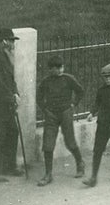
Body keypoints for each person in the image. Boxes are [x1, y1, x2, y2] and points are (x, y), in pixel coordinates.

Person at [36, 56, 85, 186]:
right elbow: (39, 97)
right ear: (51, 69)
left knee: (70, 141)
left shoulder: (68, 79)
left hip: (65, 113)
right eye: (57, 68)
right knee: (48, 144)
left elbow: (80, 91)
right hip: (51, 114)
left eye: (61, 67)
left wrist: (73, 104)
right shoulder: (46, 82)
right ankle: (48, 174)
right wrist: (45, 109)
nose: (60, 70)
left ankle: (80, 163)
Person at [0, 28, 22, 182]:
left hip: (7, 101)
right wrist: (11, 97)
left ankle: (10, 166)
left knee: (13, 132)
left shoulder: (7, 56)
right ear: (4, 42)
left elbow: (10, 79)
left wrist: (16, 93)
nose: (13, 44)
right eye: (12, 41)